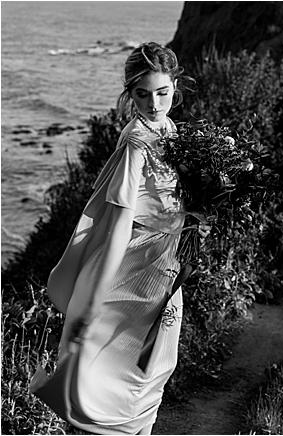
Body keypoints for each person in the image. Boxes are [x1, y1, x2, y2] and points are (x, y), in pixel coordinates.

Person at [30, 42, 191, 435]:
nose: (154, 104)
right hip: (131, 270)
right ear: (129, 93)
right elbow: (119, 225)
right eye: (142, 94)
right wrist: (91, 305)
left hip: (165, 266)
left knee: (153, 369)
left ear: (175, 87)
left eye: (162, 92)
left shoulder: (169, 129)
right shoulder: (135, 144)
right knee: (114, 374)